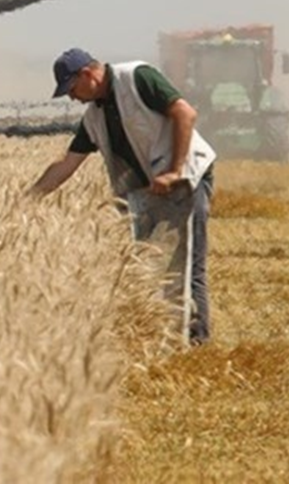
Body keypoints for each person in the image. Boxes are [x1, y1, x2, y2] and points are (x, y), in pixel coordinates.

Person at [29, 48, 217, 346]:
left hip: (186, 179)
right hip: (149, 191)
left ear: (87, 74)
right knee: (148, 269)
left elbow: (185, 113)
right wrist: (28, 199)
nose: (72, 98)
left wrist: (174, 170)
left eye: (72, 88)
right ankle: (163, 337)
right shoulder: (94, 118)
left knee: (187, 263)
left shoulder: (137, 77)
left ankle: (196, 344)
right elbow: (67, 163)